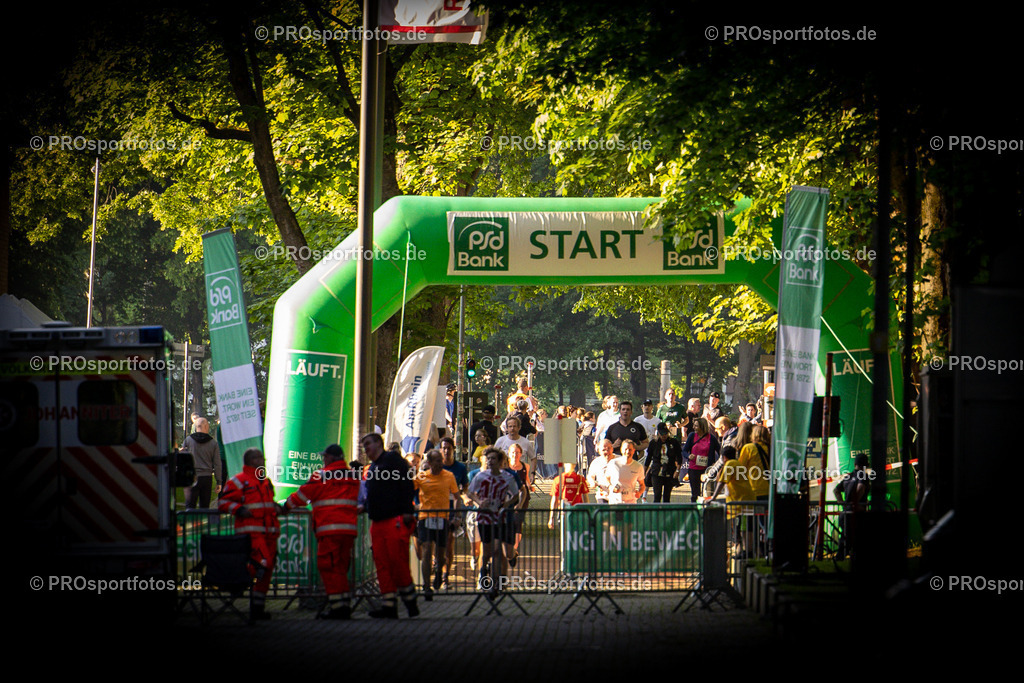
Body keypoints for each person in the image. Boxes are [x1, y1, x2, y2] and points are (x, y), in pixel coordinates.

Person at [283, 444, 360, 619]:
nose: (323, 460)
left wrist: (285, 507)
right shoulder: (353, 477)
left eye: (325, 457)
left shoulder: (321, 475)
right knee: (340, 567)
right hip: (348, 530)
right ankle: (344, 605)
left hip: (329, 529)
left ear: (332, 458)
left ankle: (338, 608)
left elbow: (302, 495)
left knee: (328, 566)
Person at [360, 432, 419, 619]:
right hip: (378, 522)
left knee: (397, 562)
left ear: (379, 443)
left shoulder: (392, 460)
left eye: (368, 444)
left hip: (394, 521)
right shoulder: (375, 467)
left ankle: (410, 602)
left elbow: (406, 485)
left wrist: (407, 512)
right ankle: (389, 605)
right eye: (364, 446)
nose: (366, 449)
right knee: (382, 565)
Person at [217, 448, 281, 620]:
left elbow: (266, 503)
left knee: (266, 570)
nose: (262, 460)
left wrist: (275, 506)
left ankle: (258, 607)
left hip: (269, 533)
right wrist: (239, 509)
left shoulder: (265, 481)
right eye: (257, 458)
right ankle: (236, 582)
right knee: (262, 563)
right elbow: (223, 502)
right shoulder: (239, 481)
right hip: (252, 533)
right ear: (249, 461)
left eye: (262, 457)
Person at [467, 447, 520, 593]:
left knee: (497, 549)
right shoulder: (480, 476)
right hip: (484, 518)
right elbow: (470, 492)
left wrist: (506, 504)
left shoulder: (507, 477)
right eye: (488, 459)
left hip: (500, 518)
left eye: (493, 459)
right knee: (487, 550)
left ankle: (497, 582)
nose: (490, 461)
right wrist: (479, 501)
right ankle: (483, 571)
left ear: (500, 461)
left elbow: (516, 495)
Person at [414, 449, 462, 599]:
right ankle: (426, 586)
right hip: (425, 518)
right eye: (437, 461)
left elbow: (457, 497)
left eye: (441, 461)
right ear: (429, 463)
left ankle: (439, 572)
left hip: (442, 518)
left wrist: (457, 516)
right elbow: (408, 490)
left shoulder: (449, 476)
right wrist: (413, 507)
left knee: (441, 555)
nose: (440, 464)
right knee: (427, 550)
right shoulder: (422, 476)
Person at [706, 445, 755, 559]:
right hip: (746, 500)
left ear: (724, 457)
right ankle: (743, 552)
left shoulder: (729, 464)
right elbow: (720, 478)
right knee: (744, 528)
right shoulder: (737, 464)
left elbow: (720, 482)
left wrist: (713, 497)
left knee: (741, 530)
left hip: (740, 503)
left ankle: (745, 552)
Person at [439, 436, 468, 589]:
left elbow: (465, 488)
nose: (446, 451)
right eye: (443, 448)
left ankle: (445, 577)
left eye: (449, 448)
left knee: (449, 543)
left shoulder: (460, 468)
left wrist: (465, 498)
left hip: (452, 509)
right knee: (435, 545)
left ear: (453, 450)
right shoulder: (434, 466)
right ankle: (436, 563)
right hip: (435, 509)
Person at [834, 453, 871, 559]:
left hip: (845, 513)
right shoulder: (863, 476)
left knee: (846, 536)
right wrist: (855, 503)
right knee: (858, 537)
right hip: (857, 513)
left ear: (855, 464)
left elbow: (836, 490)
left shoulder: (848, 476)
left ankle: (840, 556)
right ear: (866, 465)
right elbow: (861, 488)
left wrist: (842, 503)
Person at [182, 416, 223, 509]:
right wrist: (219, 481)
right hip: (206, 478)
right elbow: (217, 463)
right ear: (206, 427)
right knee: (204, 507)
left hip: (191, 477)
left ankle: (189, 522)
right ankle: (203, 522)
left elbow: (183, 457)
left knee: (189, 507)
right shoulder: (213, 443)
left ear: (196, 427)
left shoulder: (188, 440)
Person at [682, 417, 720, 503]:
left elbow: (720, 451)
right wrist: (688, 456)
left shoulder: (711, 438)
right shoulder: (692, 436)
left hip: (707, 469)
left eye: (696, 426)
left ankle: (706, 511)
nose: (694, 428)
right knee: (695, 494)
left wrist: (716, 464)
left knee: (707, 492)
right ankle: (694, 511)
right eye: (694, 426)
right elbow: (684, 450)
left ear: (702, 427)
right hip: (694, 468)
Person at [644, 422, 683, 503]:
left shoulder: (673, 442)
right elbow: (648, 458)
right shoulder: (653, 443)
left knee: (667, 496)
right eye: (662, 434)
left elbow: (679, 457)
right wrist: (644, 472)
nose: (664, 436)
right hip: (656, 472)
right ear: (658, 433)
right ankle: (656, 514)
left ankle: (666, 513)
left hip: (669, 471)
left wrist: (677, 471)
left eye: (665, 433)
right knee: (657, 495)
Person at [494, 416, 537, 485]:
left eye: (514, 426)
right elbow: (494, 456)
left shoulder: (525, 442)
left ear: (519, 427)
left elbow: (533, 458)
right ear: (507, 428)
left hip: (520, 474)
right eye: (510, 426)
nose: (512, 429)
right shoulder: (501, 441)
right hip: (504, 473)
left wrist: (532, 473)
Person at [548, 461, 589, 528]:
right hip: (577, 511)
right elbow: (586, 499)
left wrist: (551, 518)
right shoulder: (581, 479)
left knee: (564, 534)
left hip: (563, 511)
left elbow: (554, 500)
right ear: (575, 464)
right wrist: (588, 514)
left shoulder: (558, 479)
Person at [604, 439, 646, 504]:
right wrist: (611, 487)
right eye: (625, 449)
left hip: (631, 502)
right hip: (615, 502)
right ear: (621, 450)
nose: (627, 452)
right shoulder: (613, 463)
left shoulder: (638, 466)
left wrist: (639, 493)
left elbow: (642, 485)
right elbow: (606, 478)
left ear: (634, 451)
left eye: (630, 449)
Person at [586, 439, 614, 503]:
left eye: (609, 449)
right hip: (602, 494)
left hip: (617, 495)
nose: (607, 452)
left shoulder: (619, 460)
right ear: (599, 451)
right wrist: (592, 482)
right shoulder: (596, 462)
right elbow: (590, 476)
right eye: (603, 450)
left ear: (612, 448)